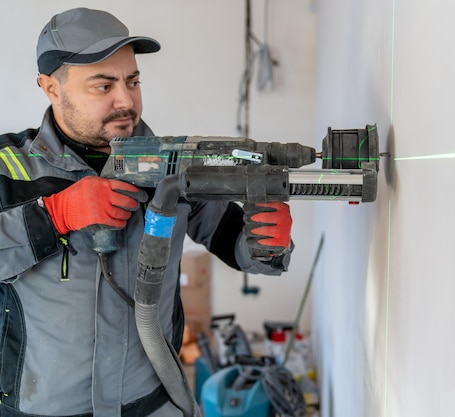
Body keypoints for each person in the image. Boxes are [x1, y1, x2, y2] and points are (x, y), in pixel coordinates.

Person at [0, 7, 293, 417]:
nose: (126, 101)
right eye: (103, 86)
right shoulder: (8, 167)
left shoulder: (170, 165)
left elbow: (233, 241)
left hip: (152, 405)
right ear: (51, 88)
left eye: (132, 81)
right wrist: (54, 215)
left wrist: (267, 242)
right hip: (37, 409)